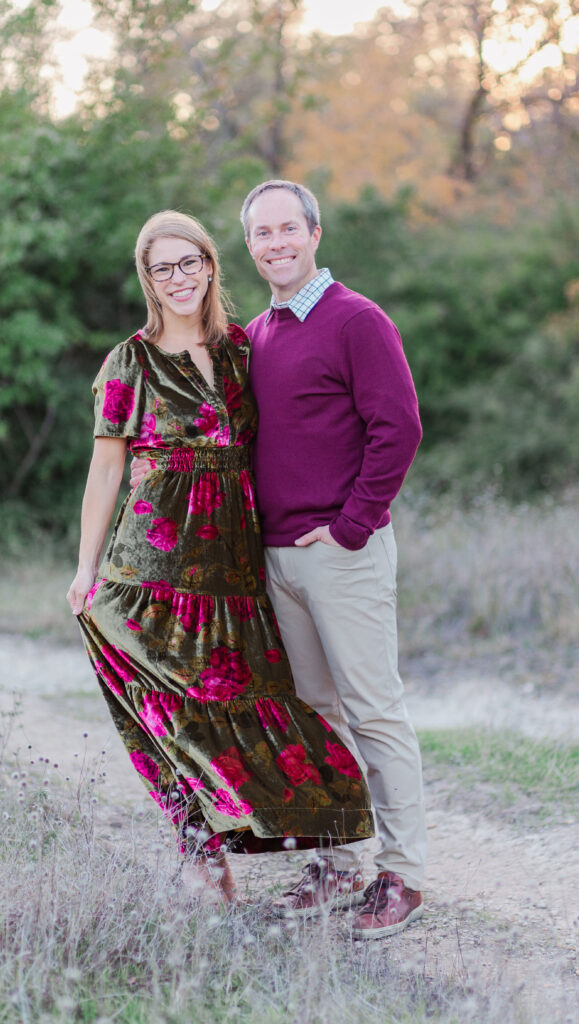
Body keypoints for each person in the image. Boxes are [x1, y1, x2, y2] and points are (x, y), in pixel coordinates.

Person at [66, 210, 374, 907]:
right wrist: (85, 569)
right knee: (168, 713)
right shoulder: (130, 360)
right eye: (161, 268)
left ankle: (324, 847)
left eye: (189, 262)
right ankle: (198, 848)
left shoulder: (243, 351)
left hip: (236, 569)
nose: (178, 278)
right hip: (150, 572)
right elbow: (105, 472)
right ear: (147, 279)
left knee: (259, 704)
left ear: (210, 265)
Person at [240, 179, 427, 938]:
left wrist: (351, 527)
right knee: (316, 719)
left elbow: (399, 428)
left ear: (314, 232)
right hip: (279, 558)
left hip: (340, 553)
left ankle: (404, 875)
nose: (275, 243)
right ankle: (340, 860)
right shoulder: (257, 333)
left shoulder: (356, 319)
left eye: (288, 228)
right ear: (249, 247)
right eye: (261, 234)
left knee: (373, 710)